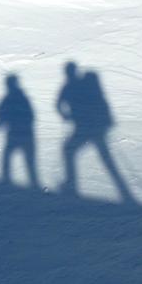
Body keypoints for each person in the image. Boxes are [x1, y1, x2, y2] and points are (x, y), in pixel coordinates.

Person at [56, 61, 133, 201]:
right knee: (105, 158)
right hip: (97, 127)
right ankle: (124, 191)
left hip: (85, 127)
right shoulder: (87, 85)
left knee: (68, 150)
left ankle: (71, 184)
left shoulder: (70, 86)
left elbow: (59, 103)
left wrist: (65, 115)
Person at [0, 74, 39, 188]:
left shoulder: (8, 99)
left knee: (7, 160)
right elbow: (31, 117)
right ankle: (34, 188)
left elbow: (1, 121)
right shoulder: (22, 98)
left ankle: (6, 185)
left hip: (15, 135)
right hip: (27, 135)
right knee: (30, 165)